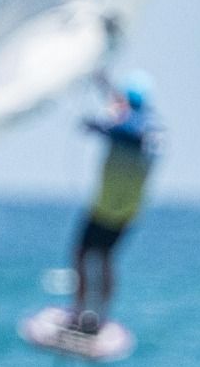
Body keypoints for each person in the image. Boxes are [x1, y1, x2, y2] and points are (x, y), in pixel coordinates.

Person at [68, 74, 162, 332]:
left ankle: (80, 313)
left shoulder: (133, 126)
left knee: (82, 254)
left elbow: (125, 126)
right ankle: (99, 315)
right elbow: (120, 106)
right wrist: (103, 82)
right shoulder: (149, 123)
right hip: (127, 212)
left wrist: (96, 125)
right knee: (105, 258)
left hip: (105, 208)